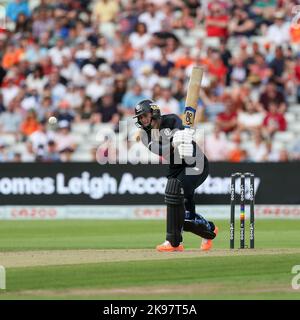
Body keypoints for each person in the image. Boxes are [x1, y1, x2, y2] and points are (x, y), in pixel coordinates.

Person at [133, 99, 218, 252]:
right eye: (140, 118)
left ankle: (173, 242)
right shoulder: (145, 134)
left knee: (176, 197)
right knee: (184, 216)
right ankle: (209, 229)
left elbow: (183, 130)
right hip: (176, 168)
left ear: (154, 113)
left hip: (196, 163)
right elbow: (160, 150)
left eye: (145, 115)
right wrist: (173, 143)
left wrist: (184, 136)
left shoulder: (172, 119)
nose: (143, 120)